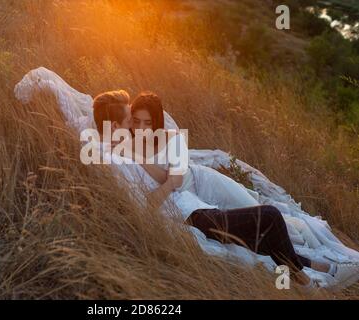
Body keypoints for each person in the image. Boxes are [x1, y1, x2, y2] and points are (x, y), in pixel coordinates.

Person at [129, 91, 358, 288]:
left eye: (147, 123)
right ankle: (319, 269)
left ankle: (308, 257)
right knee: (256, 230)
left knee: (254, 207)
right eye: (137, 122)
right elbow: (165, 180)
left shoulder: (172, 138)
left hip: (204, 182)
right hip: (191, 200)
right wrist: (140, 157)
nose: (141, 128)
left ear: (157, 121)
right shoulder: (132, 145)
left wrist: (145, 162)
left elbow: (174, 180)